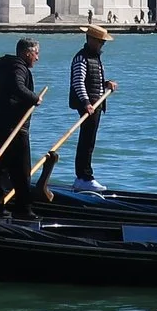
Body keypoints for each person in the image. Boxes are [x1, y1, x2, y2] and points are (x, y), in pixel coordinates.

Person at [0, 38, 41, 215]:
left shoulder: (10, 66)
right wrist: (34, 98)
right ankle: (21, 208)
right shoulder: (17, 67)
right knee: (19, 168)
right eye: (36, 53)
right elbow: (18, 86)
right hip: (12, 126)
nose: (37, 58)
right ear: (27, 53)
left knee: (7, 167)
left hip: (4, 124)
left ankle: (2, 207)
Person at [66, 25, 116, 191]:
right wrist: (86, 103)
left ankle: (83, 176)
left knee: (90, 141)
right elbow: (78, 82)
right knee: (86, 142)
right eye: (101, 41)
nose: (102, 44)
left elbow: (94, 79)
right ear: (92, 40)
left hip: (96, 104)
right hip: (89, 106)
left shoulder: (94, 57)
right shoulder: (81, 58)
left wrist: (106, 84)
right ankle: (84, 176)